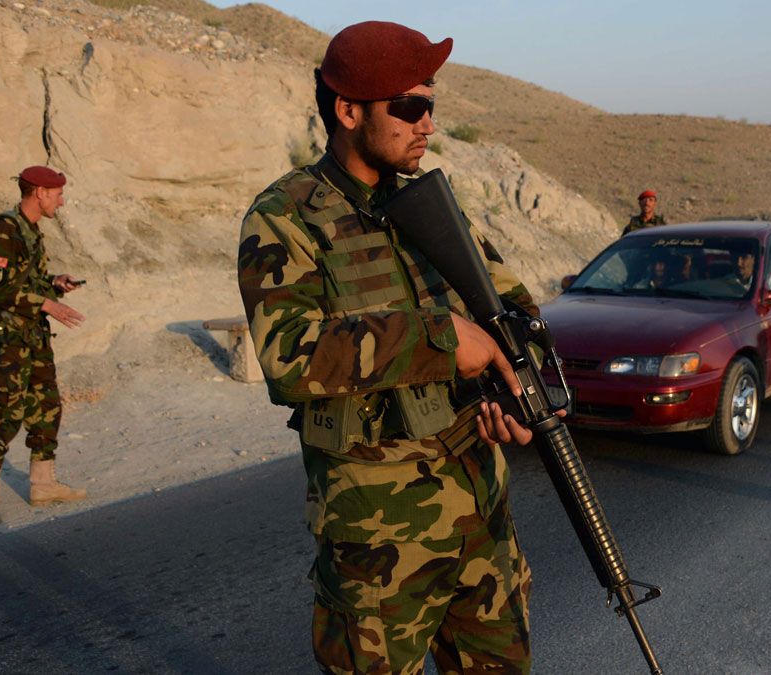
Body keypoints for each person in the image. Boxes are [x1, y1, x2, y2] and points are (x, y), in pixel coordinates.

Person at [237, 21, 539, 673]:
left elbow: (513, 308)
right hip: (378, 536)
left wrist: (515, 387)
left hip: (480, 511)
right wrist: (438, 339)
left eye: (431, 103)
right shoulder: (286, 216)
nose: (427, 123)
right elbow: (290, 358)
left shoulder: (432, 206)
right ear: (348, 110)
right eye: (409, 106)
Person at [0, 165, 87, 525]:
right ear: (39, 192)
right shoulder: (4, 229)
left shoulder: (31, 230)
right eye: (56, 194)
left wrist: (54, 282)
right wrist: (49, 305)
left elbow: (26, 280)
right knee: (6, 413)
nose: (61, 201)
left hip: (34, 335)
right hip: (9, 338)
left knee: (47, 407)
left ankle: (42, 484)